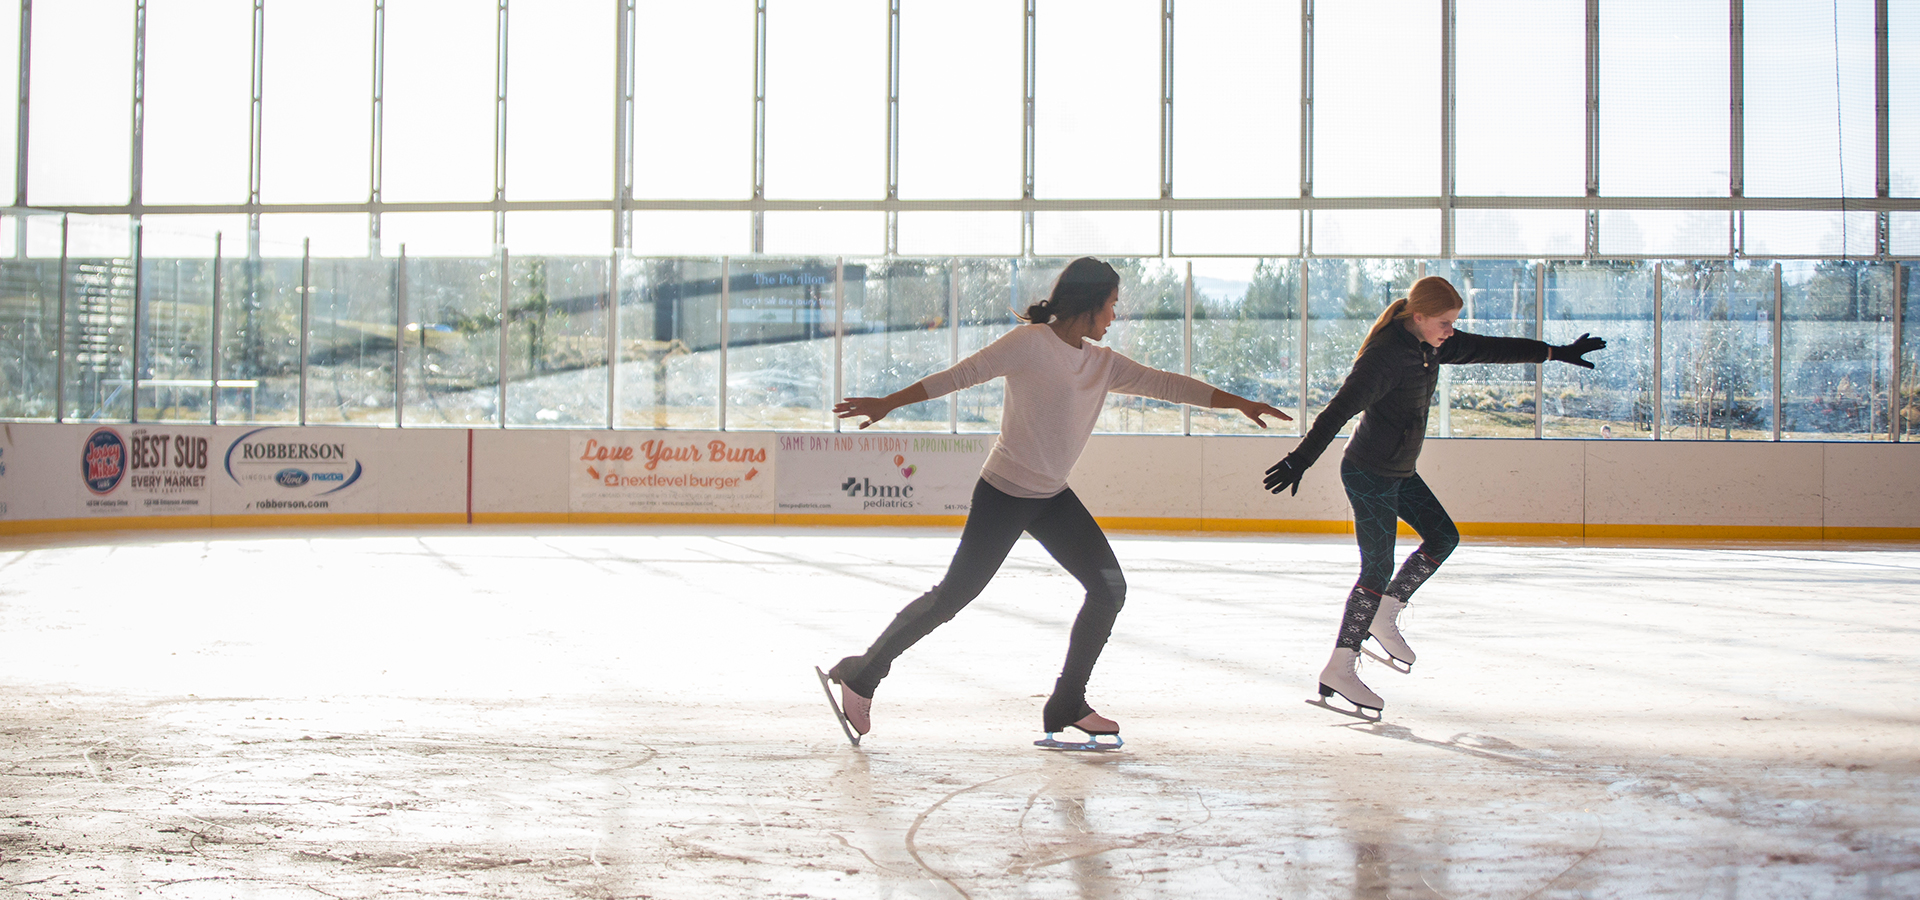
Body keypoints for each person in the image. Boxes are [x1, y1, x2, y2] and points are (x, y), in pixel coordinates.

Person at [821, 257, 1290, 749]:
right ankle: (864, 674)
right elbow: (963, 375)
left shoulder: (1101, 363)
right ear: (1089, 305)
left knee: (1109, 590)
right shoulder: (1030, 344)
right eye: (1110, 307)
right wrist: (887, 403)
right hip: (1004, 492)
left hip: (1052, 497)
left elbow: (1168, 384)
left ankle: (1067, 701)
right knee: (953, 596)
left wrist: (1238, 401)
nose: (1114, 317)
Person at [1263, 275, 1606, 718]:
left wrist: (1554, 352)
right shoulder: (1385, 358)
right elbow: (1340, 408)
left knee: (1444, 537)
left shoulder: (1432, 344)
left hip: (1400, 471)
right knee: (1377, 567)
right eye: (1444, 322)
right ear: (1419, 316)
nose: (1451, 330)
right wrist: (1300, 459)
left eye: (1453, 323)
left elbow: (1490, 348)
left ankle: (1386, 612)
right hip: (1369, 473)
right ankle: (1340, 666)